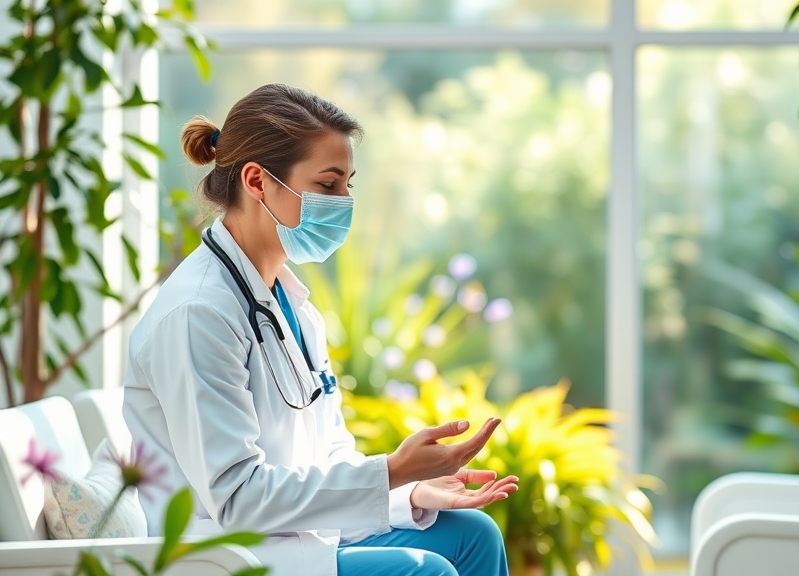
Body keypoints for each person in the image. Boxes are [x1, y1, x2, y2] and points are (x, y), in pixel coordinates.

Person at [121, 83, 517, 576]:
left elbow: (328, 453)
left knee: (474, 537)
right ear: (257, 181)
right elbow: (238, 498)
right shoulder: (198, 314)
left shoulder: (291, 305)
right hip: (227, 553)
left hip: (297, 533)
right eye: (328, 185)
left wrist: (408, 491)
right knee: (424, 570)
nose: (344, 201)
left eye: (349, 184)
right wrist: (392, 470)